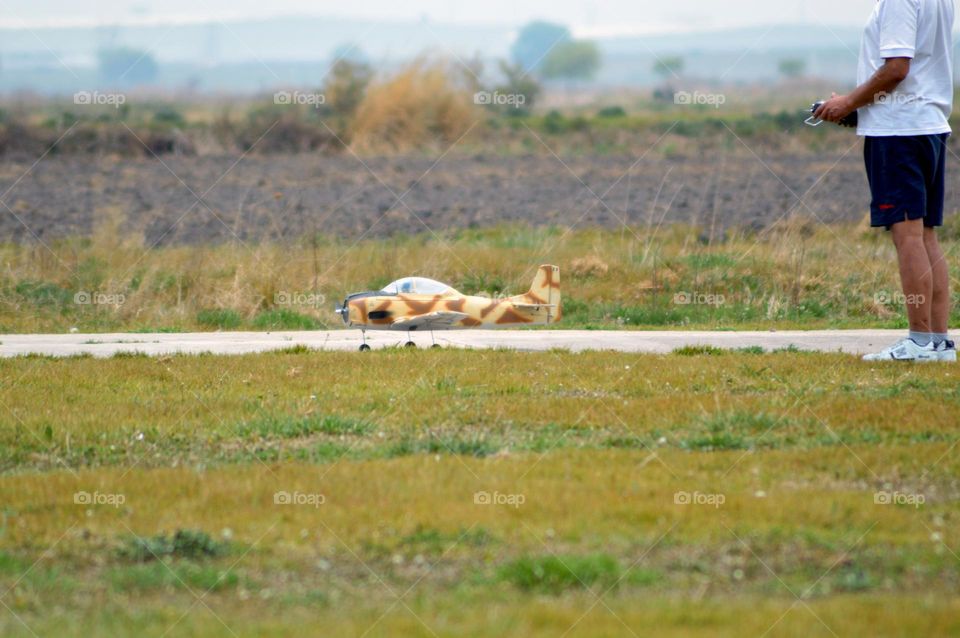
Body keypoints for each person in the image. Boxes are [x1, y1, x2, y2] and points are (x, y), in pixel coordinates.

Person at [816, 0, 955, 362]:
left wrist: (848, 103)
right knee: (925, 234)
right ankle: (939, 343)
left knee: (907, 235)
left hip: (899, 131)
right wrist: (856, 103)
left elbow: (896, 69)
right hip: (930, 124)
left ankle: (919, 343)